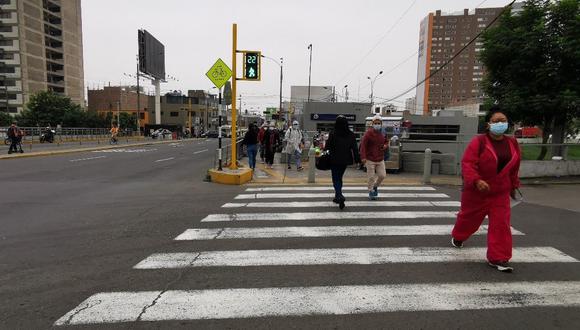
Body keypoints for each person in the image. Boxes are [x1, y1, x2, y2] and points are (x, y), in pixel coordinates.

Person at [451, 107, 521, 273]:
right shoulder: (479, 141)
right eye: (496, 121)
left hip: (500, 192)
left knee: (501, 224)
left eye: (503, 120)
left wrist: (514, 185)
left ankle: (499, 258)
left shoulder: (512, 143)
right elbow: (468, 163)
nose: (500, 123)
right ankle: (459, 236)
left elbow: (514, 167)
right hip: (477, 191)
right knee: (469, 220)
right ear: (489, 124)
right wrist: (476, 180)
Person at [324, 115, 360, 209]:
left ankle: (339, 195)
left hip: (334, 159)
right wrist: (357, 160)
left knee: (336, 178)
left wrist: (324, 153)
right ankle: (337, 196)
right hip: (345, 160)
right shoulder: (351, 134)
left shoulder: (333, 133)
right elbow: (355, 149)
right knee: (339, 177)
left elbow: (327, 147)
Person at [360, 115, 388, 200]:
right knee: (371, 177)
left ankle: (375, 186)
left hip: (380, 158)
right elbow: (363, 146)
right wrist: (363, 157)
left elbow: (386, 141)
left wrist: (385, 145)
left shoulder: (383, 133)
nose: (377, 124)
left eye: (379, 123)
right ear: (372, 124)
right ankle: (371, 191)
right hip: (370, 159)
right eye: (375, 123)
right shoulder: (368, 133)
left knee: (382, 175)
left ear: (381, 124)